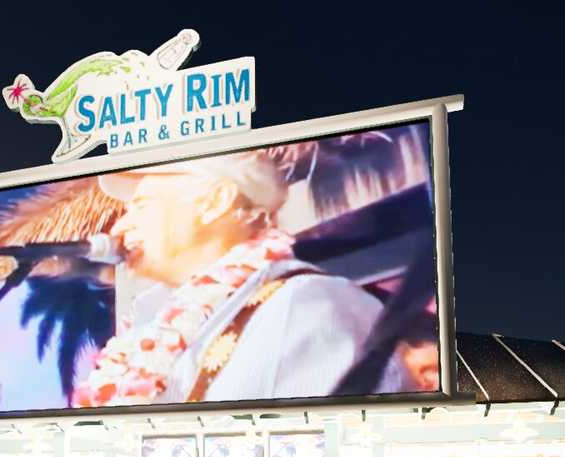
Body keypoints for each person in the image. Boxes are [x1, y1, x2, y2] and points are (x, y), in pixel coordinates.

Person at [69, 150, 409, 407]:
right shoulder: (148, 324)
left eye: (142, 206)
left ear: (216, 202)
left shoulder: (307, 304)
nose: (120, 227)